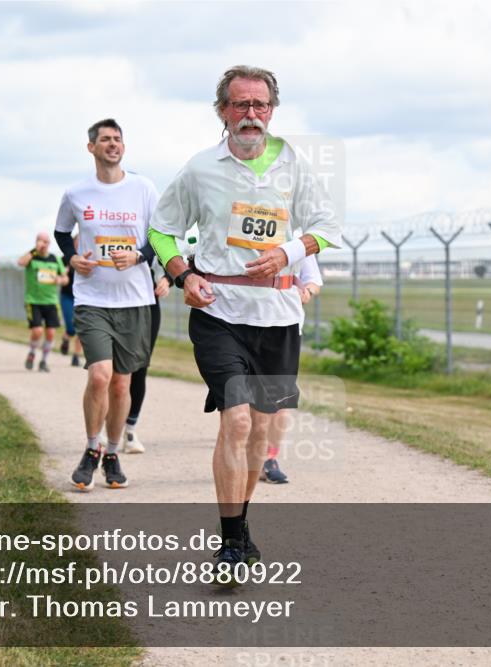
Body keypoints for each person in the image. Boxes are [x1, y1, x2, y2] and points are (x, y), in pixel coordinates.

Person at [147, 66, 341, 580]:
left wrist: (290, 251)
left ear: (272, 111)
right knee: (234, 419)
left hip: (277, 317)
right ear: (222, 111)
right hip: (219, 312)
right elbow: (162, 231)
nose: (250, 115)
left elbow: (328, 226)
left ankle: (241, 526)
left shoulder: (294, 165)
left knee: (259, 431)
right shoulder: (198, 170)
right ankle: (230, 545)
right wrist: (184, 275)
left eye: (259, 105)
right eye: (240, 105)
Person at [55, 118, 163, 491]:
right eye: (105, 140)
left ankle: (112, 453)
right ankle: (90, 447)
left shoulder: (143, 188)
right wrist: (71, 257)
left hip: (135, 300)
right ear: (92, 148)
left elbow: (160, 237)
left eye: (118, 139)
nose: (113, 144)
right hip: (92, 297)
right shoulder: (76, 193)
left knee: (121, 384)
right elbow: (60, 232)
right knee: (100, 375)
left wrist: (138, 257)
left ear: (124, 146)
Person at [260, 253, 324, 484]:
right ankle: (246, 455)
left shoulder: (297, 239)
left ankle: (269, 459)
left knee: (281, 399)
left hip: (286, 325)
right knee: (243, 397)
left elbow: (313, 280)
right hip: (242, 324)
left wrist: (307, 291)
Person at [110, 231, 171, 454]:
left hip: (147, 304)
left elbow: (169, 258)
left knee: (139, 367)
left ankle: (130, 429)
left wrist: (167, 279)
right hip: (111, 300)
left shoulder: (152, 230)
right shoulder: (111, 226)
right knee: (112, 370)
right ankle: (108, 425)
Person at [18, 232, 68, 373]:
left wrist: (60, 280)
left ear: (49, 243)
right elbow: (21, 263)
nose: (43, 244)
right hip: (33, 301)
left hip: (51, 301)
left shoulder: (55, 259)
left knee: (51, 333)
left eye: (45, 241)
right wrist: (34, 251)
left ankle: (44, 361)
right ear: (36, 242)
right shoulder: (31, 257)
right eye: (40, 241)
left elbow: (65, 278)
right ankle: (32, 352)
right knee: (37, 330)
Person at [58, 234, 84, 367]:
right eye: (77, 241)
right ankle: (66, 337)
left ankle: (76, 356)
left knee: (81, 327)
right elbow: (57, 277)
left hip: (83, 297)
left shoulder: (88, 258)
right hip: (67, 296)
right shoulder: (64, 259)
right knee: (71, 327)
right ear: (73, 243)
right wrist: (62, 276)